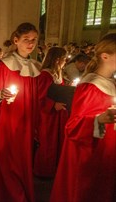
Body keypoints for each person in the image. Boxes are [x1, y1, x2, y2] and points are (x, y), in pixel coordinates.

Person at [50, 33, 116, 202]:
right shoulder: (90, 86)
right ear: (105, 56)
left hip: (106, 151)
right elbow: (73, 127)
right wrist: (99, 120)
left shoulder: (110, 83)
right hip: (88, 155)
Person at [0, 22, 41, 202]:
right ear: (16, 40)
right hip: (8, 121)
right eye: (26, 39)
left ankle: (21, 190)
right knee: (10, 159)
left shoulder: (34, 66)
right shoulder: (6, 64)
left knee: (22, 159)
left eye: (33, 39)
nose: (30, 43)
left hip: (26, 121)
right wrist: (0, 94)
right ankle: (13, 195)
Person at [33, 47, 69, 178]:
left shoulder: (57, 73)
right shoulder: (45, 75)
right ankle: (43, 171)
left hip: (58, 114)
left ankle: (54, 169)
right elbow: (38, 97)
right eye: (64, 59)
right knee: (48, 144)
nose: (66, 62)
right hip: (48, 116)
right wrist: (53, 105)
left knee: (57, 142)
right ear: (57, 60)